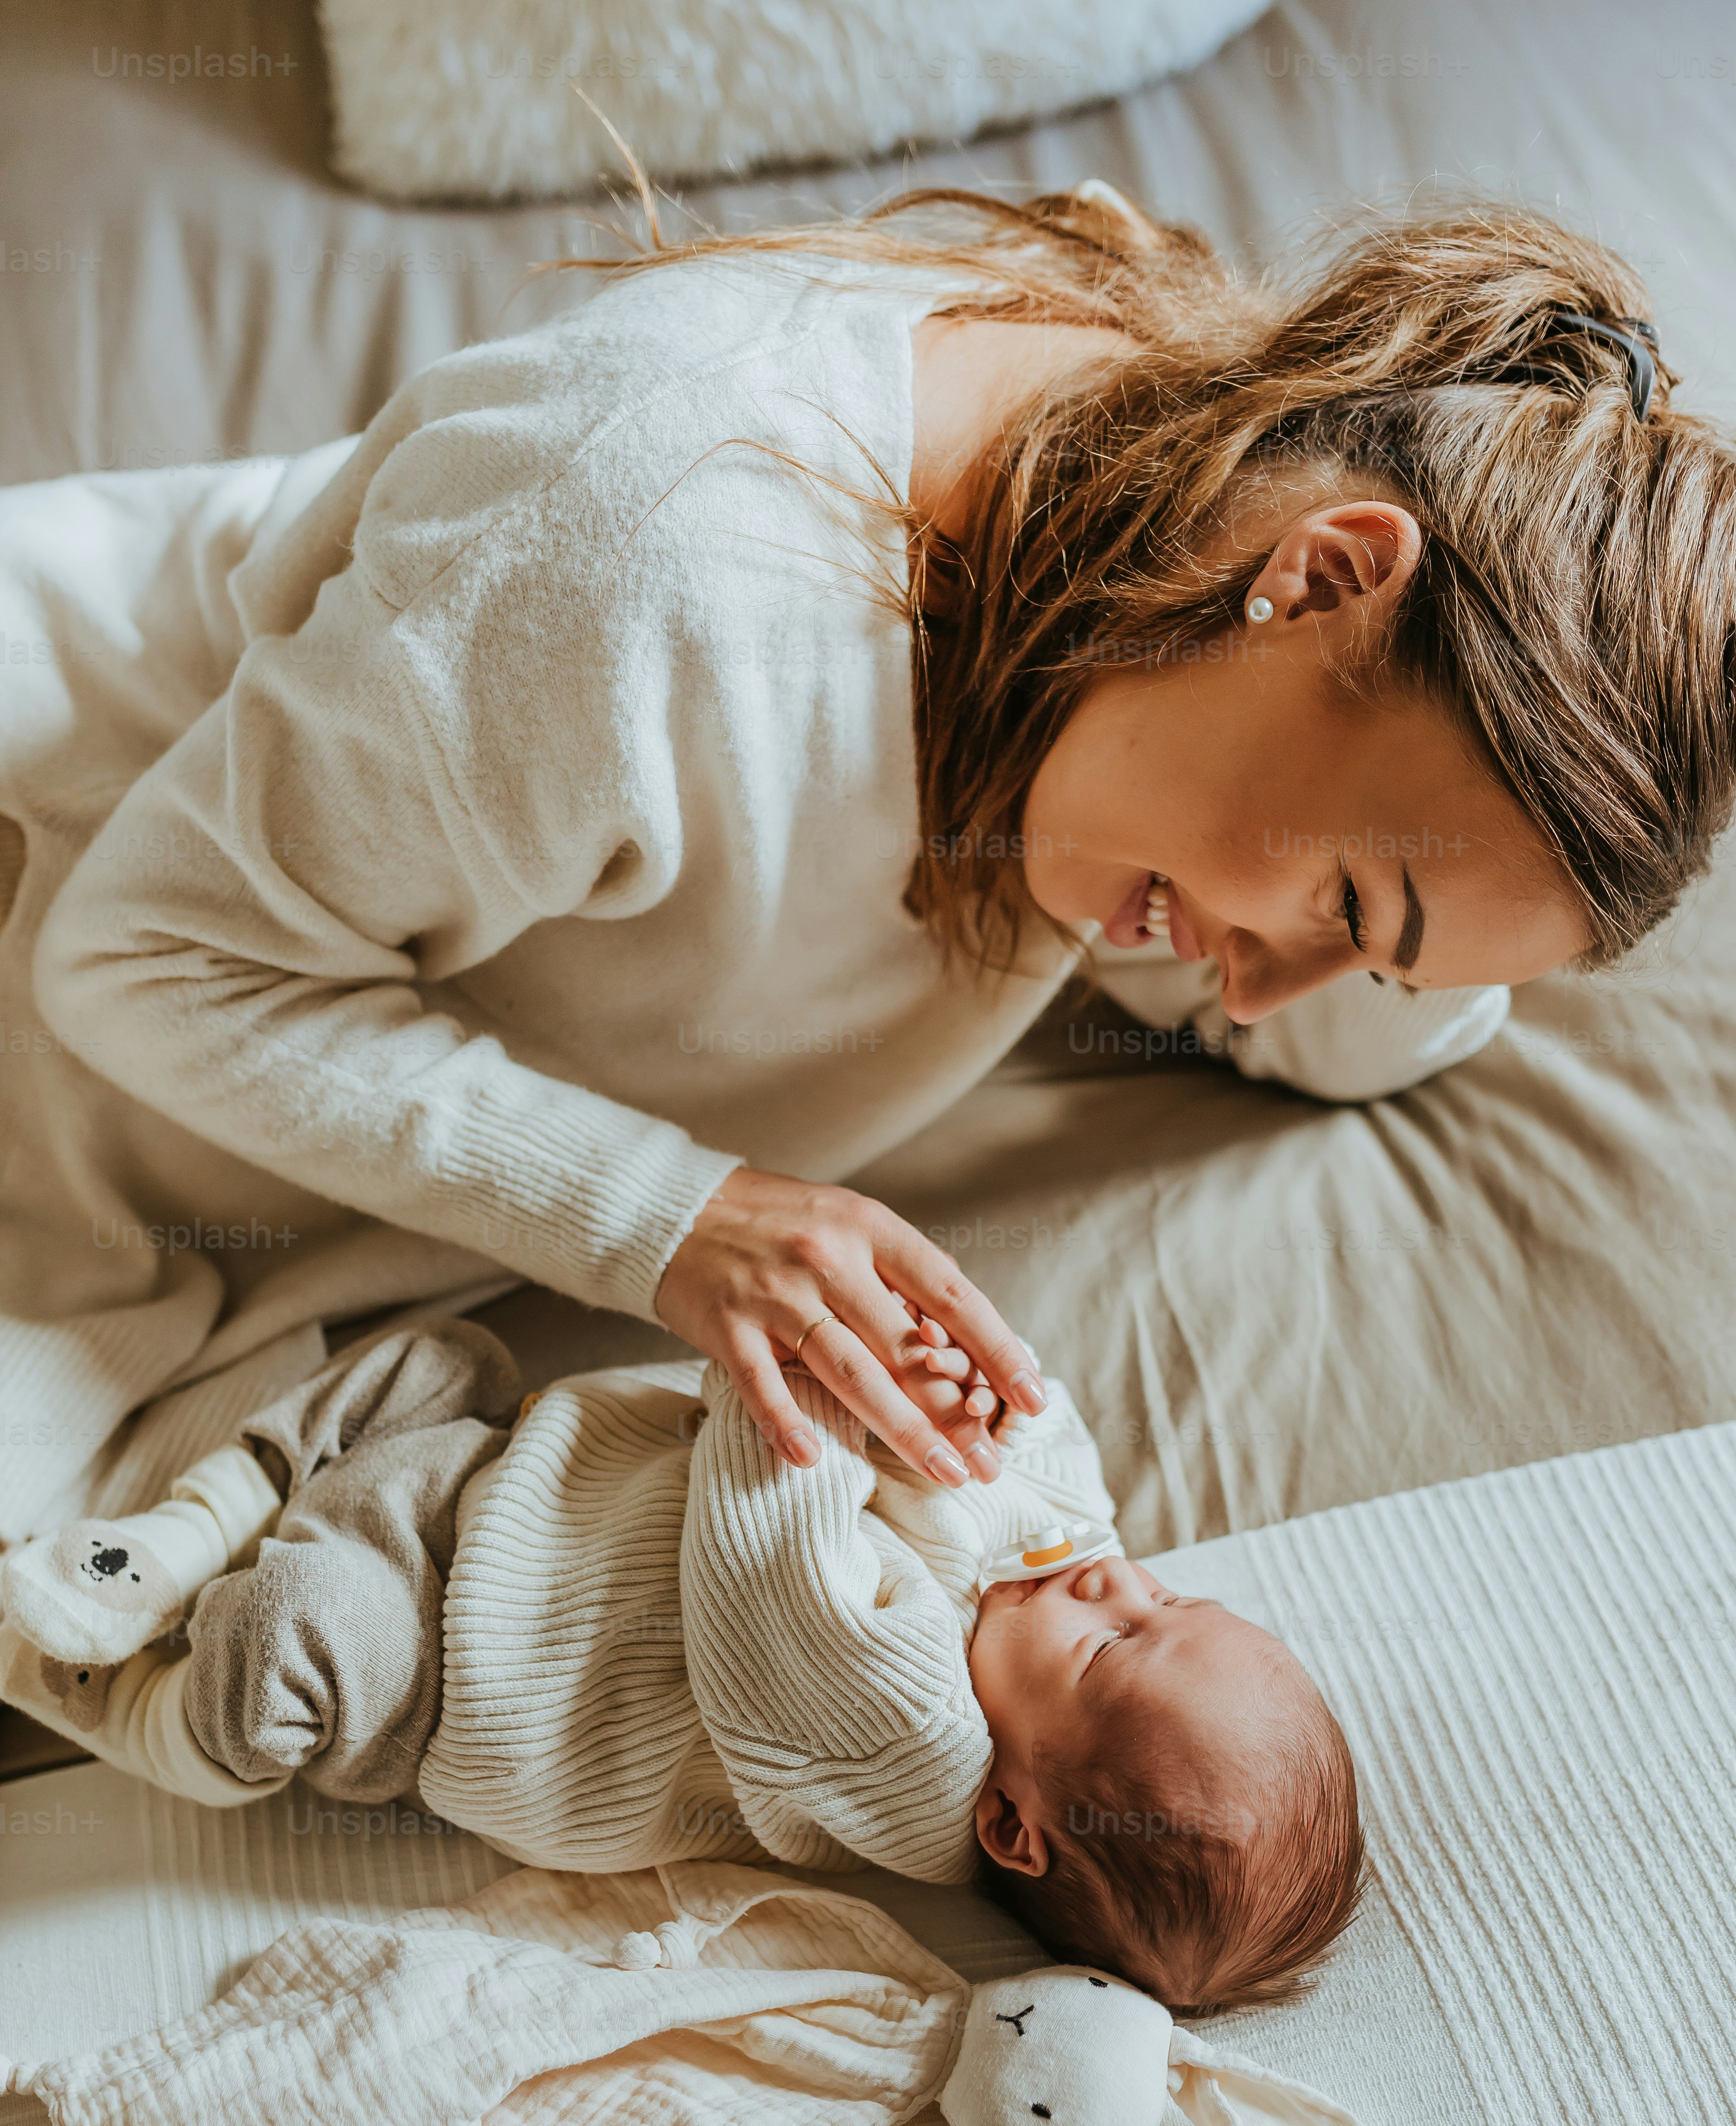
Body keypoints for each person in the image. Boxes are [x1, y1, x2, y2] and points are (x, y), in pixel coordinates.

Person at [3, 183, 1730, 1543]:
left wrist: (1412, 936)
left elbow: (1341, 1024)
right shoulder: (649, 579)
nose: (1251, 991)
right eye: (1345, 911)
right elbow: (147, 956)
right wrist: (674, 1222)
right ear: (1319, 577)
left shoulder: (1168, 597)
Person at [0, 1318, 1360, 2016]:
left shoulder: (909, 1745)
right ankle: (172, 1544)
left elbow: (764, 1525)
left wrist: (827, 1367)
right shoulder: (1054, 1576)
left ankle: (114, 1697)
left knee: (287, 1652)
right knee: (435, 1358)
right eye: (1169, 1597)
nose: (1118, 1580)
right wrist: (962, 1385)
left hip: (444, 1657)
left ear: (1012, 1819)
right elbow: (1034, 1443)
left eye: (1117, 1643)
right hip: (495, 1467)